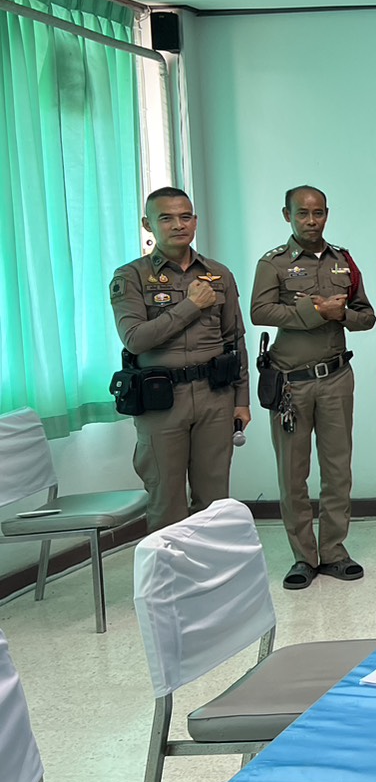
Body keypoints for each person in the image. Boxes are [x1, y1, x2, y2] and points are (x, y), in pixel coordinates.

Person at [251, 186, 376, 590]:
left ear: (327, 214)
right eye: (302, 213)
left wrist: (342, 315)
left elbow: (367, 316)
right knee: (293, 474)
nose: (311, 220)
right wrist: (316, 309)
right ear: (286, 215)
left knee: (338, 470)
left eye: (318, 212)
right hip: (292, 382)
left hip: (336, 377)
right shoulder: (273, 263)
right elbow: (259, 311)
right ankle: (304, 557)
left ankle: (334, 551)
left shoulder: (343, 261)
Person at [110, 187, 249, 531]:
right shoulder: (131, 277)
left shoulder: (219, 274)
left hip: (214, 395)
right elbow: (135, 339)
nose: (178, 225)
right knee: (166, 502)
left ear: (195, 221)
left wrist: (241, 400)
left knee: (214, 503)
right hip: (162, 400)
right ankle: (170, 569)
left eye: (185, 217)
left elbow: (234, 340)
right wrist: (190, 306)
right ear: (148, 225)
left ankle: (211, 567)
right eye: (166, 218)